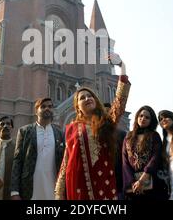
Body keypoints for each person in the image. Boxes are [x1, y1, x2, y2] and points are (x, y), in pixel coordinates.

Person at [55, 54, 131, 200]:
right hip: (77, 185)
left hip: (104, 183)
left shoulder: (106, 121)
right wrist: (59, 192)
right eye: (82, 98)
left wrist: (122, 66)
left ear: (96, 101)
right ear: (78, 108)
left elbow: (120, 102)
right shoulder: (71, 128)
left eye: (90, 96)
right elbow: (66, 160)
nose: (87, 98)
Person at [11, 98, 65, 200]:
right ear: (36, 111)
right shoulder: (25, 131)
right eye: (43, 106)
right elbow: (17, 160)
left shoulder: (60, 133)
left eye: (50, 106)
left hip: (54, 188)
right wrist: (14, 191)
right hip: (29, 188)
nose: (47, 109)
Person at [122, 106, 169, 200]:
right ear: (137, 117)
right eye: (141, 115)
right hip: (133, 185)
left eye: (147, 117)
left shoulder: (154, 136)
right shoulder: (128, 136)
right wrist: (133, 182)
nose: (143, 118)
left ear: (151, 121)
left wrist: (141, 180)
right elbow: (125, 161)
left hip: (152, 183)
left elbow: (155, 159)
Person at [105, 102, 127, 200]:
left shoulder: (122, 134)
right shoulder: (94, 134)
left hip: (118, 181)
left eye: (109, 112)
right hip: (101, 180)